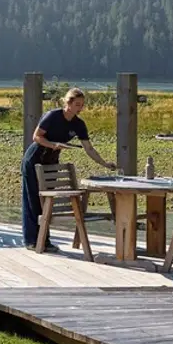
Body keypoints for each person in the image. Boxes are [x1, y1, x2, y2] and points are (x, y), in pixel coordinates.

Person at [22, 88, 115, 252]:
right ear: (68, 103)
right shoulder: (53, 116)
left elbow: (89, 148)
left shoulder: (79, 124)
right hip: (35, 158)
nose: (80, 108)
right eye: (77, 104)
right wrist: (54, 145)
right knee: (33, 199)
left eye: (82, 105)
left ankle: (45, 240)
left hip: (51, 161)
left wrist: (105, 163)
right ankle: (31, 240)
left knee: (47, 202)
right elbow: (36, 137)